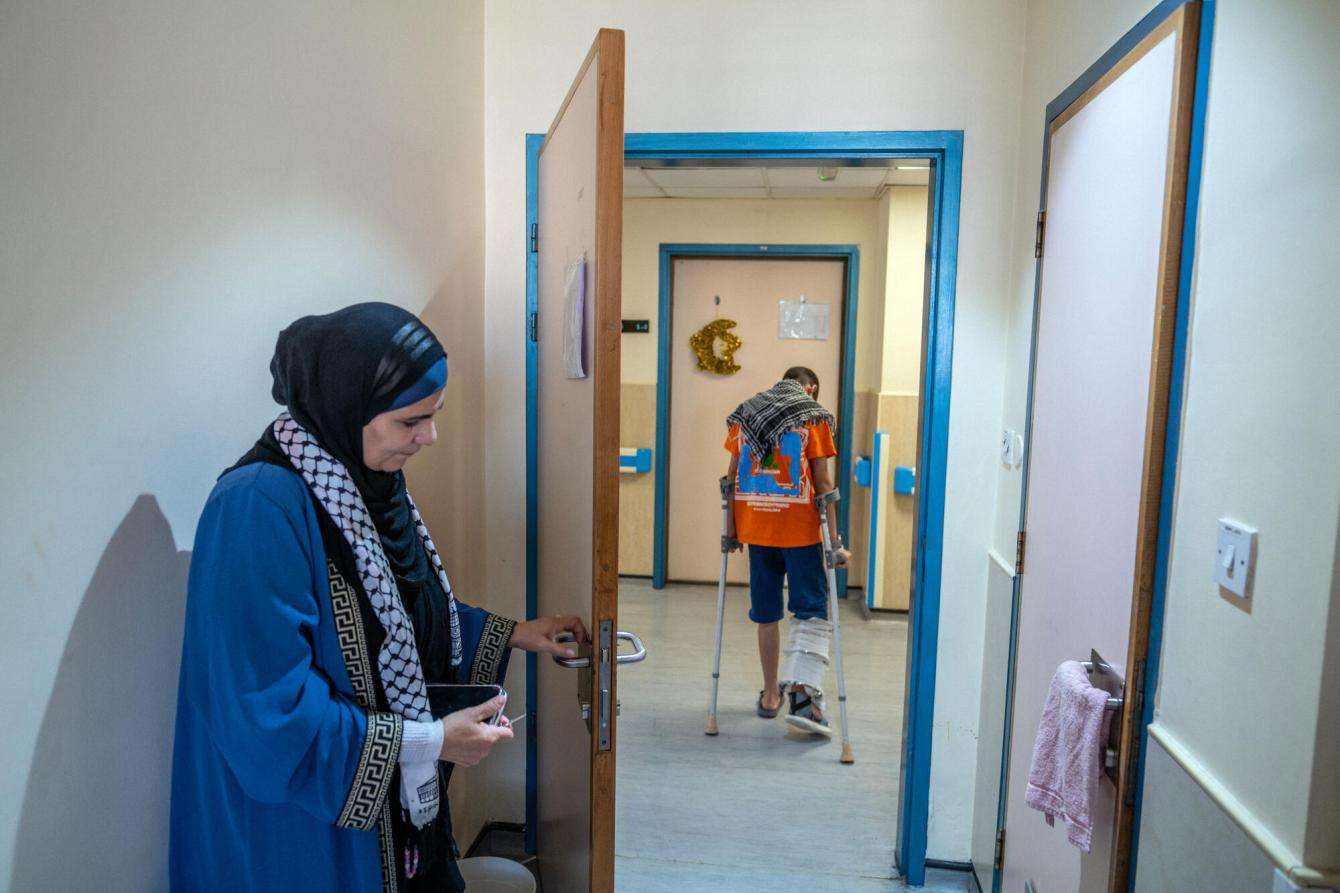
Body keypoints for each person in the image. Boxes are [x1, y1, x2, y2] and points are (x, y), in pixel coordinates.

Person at [170, 302, 587, 891]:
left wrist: (515, 632)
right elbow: (265, 712)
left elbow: (393, 620)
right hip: (300, 830)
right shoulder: (258, 506)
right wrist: (430, 742)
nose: (430, 437)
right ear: (347, 407)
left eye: (434, 415)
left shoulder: (360, 481)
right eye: (410, 421)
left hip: (386, 821)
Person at [723, 366, 850, 737]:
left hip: (757, 528)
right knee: (810, 610)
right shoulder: (813, 417)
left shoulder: (747, 414)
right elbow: (824, 485)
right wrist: (836, 545)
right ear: (810, 388)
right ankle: (803, 699)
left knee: (766, 613)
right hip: (801, 531)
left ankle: (769, 696)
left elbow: (729, 478)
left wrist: (732, 531)